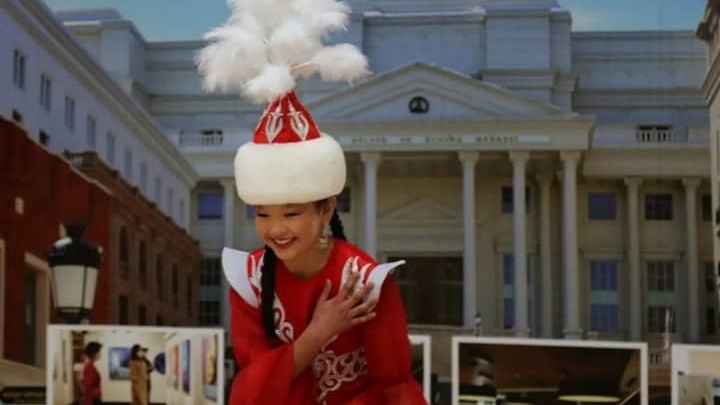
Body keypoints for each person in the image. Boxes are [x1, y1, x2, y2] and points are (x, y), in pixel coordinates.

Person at [198, 1, 427, 403]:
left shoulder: (362, 282)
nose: (275, 228)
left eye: (291, 213)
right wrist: (319, 333)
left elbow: (394, 384)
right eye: (262, 213)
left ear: (327, 209)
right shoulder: (250, 279)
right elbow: (252, 389)